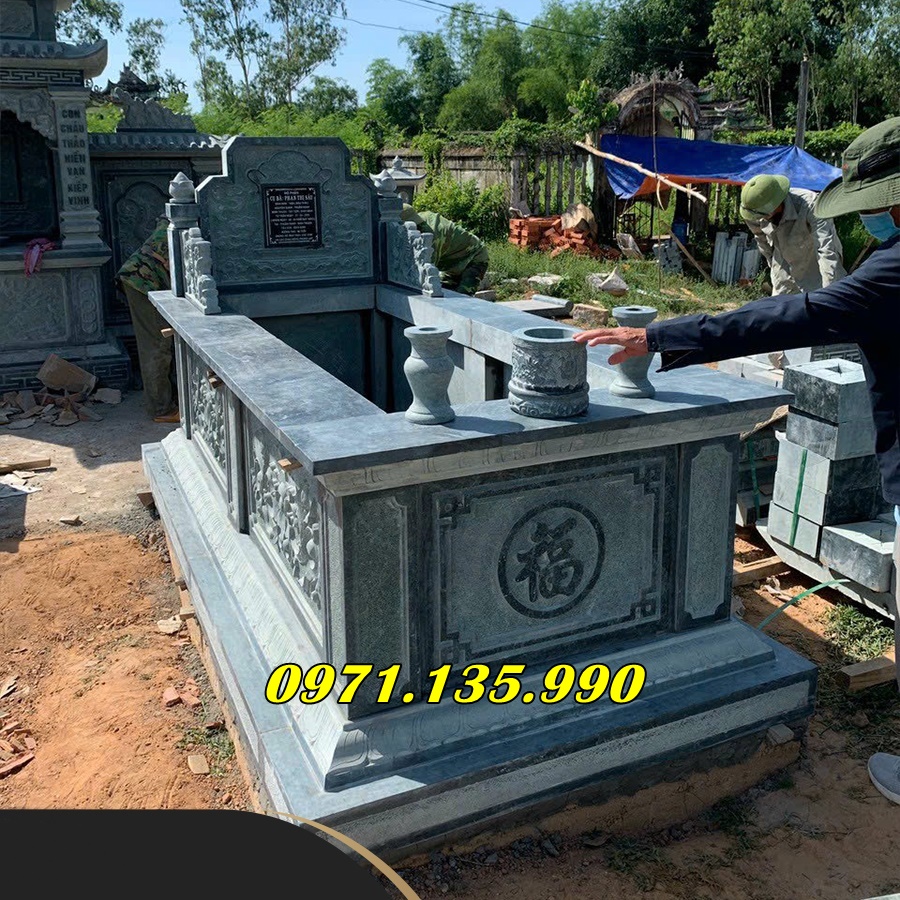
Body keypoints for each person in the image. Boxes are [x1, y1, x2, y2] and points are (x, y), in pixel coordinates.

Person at [573, 116, 900, 805]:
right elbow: (791, 299)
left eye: (878, 207)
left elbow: (805, 310)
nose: (874, 218)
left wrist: (661, 336)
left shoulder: (889, 269)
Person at [740, 173, 847, 295]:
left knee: (822, 301)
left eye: (762, 216)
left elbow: (826, 250)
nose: (757, 219)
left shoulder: (812, 205)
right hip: (784, 266)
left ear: (774, 206)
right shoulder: (752, 210)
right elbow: (761, 240)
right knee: (781, 304)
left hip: (816, 266)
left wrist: (829, 293)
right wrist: (774, 267)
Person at [116, 216, 179, 424]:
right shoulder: (184, 224)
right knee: (157, 344)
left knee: (160, 343)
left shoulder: (172, 220)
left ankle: (166, 401)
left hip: (141, 279)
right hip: (143, 282)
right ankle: (161, 408)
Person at [401, 204, 490, 295]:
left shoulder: (431, 238)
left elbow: (425, 272)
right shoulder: (414, 217)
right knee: (445, 292)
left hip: (474, 258)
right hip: (452, 262)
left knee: (461, 298)